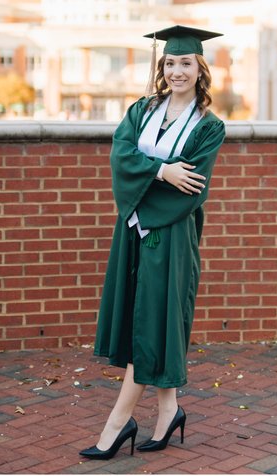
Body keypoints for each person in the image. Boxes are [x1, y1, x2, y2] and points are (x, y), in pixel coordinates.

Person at [80, 26, 227, 460]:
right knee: (147, 319)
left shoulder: (209, 127)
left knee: (152, 323)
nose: (177, 70)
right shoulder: (142, 110)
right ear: (161, 67)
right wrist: (162, 171)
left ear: (200, 70)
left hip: (170, 232)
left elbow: (193, 187)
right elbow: (120, 155)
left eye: (185, 63)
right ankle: (170, 412)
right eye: (170, 63)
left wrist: (153, 188)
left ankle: (117, 424)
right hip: (133, 230)